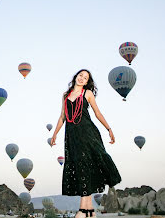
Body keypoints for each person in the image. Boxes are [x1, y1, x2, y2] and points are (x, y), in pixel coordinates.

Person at [51, 69, 122, 218]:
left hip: (87, 131)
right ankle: (89, 210)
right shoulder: (65, 95)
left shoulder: (87, 94)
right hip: (71, 135)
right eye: (81, 75)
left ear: (88, 81)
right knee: (80, 166)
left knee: (88, 163)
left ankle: (83, 210)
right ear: (75, 76)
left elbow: (97, 113)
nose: (82, 79)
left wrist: (109, 129)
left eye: (86, 78)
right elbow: (62, 116)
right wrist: (55, 133)